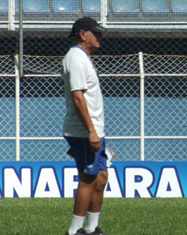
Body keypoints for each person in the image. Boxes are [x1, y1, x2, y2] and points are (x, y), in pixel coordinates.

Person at [61, 16, 108, 235]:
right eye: (95, 32)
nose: (99, 36)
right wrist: (91, 132)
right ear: (82, 34)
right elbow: (78, 97)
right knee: (88, 178)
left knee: (100, 178)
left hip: (93, 130)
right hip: (85, 131)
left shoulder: (82, 58)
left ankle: (91, 229)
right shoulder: (76, 58)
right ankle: (74, 231)